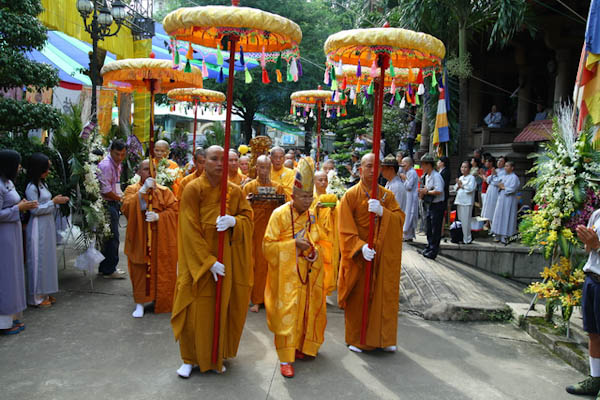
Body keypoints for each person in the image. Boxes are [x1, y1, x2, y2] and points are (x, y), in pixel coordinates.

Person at [171, 145, 253, 378]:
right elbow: (189, 228)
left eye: (223, 160)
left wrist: (235, 222)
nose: (219, 163)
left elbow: (248, 217)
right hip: (196, 259)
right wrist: (207, 261)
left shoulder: (234, 191)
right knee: (193, 309)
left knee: (220, 307)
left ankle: (216, 356)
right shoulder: (192, 189)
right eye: (214, 159)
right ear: (203, 162)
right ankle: (189, 358)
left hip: (225, 259)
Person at [263, 158, 327, 379]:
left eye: (310, 196)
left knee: (304, 310)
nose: (308, 201)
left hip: (305, 271)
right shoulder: (279, 214)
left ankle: (300, 346)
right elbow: (267, 247)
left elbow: (317, 239)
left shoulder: (311, 215)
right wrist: (292, 245)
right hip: (284, 274)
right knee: (287, 313)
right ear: (293, 196)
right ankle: (285, 358)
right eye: (303, 197)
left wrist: (312, 252)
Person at [337, 153, 404, 353]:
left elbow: (399, 220)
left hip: (381, 255)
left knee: (383, 296)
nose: (373, 170)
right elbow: (344, 229)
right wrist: (360, 247)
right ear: (360, 170)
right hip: (360, 256)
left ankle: (383, 338)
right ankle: (356, 339)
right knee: (359, 298)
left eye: (377, 166)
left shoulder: (386, 196)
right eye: (368, 166)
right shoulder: (351, 195)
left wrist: (384, 213)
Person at [122, 160, 179, 318]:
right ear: (139, 172)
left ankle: (159, 299)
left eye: (153, 169)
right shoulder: (131, 189)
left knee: (161, 268)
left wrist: (159, 217)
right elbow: (126, 208)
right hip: (140, 237)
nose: (149, 172)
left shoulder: (164, 191)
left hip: (160, 239)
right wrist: (142, 192)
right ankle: (140, 303)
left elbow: (175, 211)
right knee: (140, 270)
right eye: (146, 169)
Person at [242, 155, 287, 313]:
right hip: (255, 231)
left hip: (272, 231)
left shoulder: (278, 187)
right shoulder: (249, 187)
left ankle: (271, 298)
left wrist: (281, 201)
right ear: (256, 168)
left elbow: (284, 209)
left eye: (267, 167)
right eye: (261, 167)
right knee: (256, 265)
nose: (264, 171)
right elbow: (242, 209)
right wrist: (248, 201)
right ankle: (256, 299)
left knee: (271, 265)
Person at [0, 150, 38, 335]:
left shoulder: (8, 182)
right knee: (5, 276)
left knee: (14, 274)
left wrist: (21, 205)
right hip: (4, 236)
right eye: (17, 164)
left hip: (13, 233)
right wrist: (18, 208)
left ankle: (12, 316)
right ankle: (3, 322)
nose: (20, 167)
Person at [25, 153, 69, 307]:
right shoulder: (31, 187)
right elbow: (34, 210)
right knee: (38, 260)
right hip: (38, 226)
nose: (48, 172)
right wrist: (53, 202)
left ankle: (45, 291)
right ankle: (36, 297)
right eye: (45, 169)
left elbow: (46, 203)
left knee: (47, 259)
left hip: (47, 224)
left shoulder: (42, 184)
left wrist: (56, 201)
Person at [567, 207, 600, 397]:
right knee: (593, 332)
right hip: (592, 279)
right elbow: (589, 249)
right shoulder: (597, 214)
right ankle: (595, 378)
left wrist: (597, 245)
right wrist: (587, 242)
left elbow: (595, 246)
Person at [97, 139, 127, 279]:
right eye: (117, 154)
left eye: (122, 154)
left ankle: (106, 268)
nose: (120, 157)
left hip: (113, 202)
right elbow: (106, 191)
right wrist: (121, 199)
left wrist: (120, 196)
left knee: (109, 237)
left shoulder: (117, 164)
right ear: (111, 151)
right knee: (113, 237)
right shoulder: (107, 165)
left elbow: (116, 184)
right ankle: (109, 269)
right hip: (107, 203)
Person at [313, 170, 340, 295]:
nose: (323, 182)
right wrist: (316, 209)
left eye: (325, 180)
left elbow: (338, 215)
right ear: (314, 182)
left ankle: (325, 290)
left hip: (329, 237)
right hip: (316, 237)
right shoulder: (311, 199)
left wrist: (334, 209)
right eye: (320, 180)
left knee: (328, 264)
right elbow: (307, 217)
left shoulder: (332, 199)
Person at [418, 153, 445, 260]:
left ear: (429, 165)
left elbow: (439, 190)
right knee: (429, 227)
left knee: (435, 228)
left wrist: (427, 192)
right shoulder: (427, 176)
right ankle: (429, 246)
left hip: (437, 205)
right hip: (430, 204)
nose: (422, 167)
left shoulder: (436, 176)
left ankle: (433, 250)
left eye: (423, 165)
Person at [491, 160, 520, 244]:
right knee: (499, 216)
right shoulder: (504, 176)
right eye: (505, 166)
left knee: (507, 216)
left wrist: (504, 188)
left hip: (509, 200)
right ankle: (498, 234)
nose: (505, 168)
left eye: (507, 166)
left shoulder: (514, 177)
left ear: (512, 168)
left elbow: (512, 189)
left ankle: (506, 236)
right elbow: (496, 182)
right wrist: (494, 175)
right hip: (501, 198)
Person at [454, 161, 476, 244]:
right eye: (462, 167)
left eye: (465, 167)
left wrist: (461, 185)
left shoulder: (471, 178)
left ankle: (467, 239)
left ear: (469, 169)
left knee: (466, 221)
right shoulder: (461, 177)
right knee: (461, 220)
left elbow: (470, 188)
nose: (463, 169)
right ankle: (462, 237)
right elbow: (456, 188)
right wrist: (458, 185)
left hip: (467, 202)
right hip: (460, 201)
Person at [399, 156, 418, 241]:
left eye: (404, 164)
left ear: (408, 164)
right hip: (408, 196)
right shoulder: (407, 172)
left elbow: (409, 186)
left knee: (409, 214)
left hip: (411, 196)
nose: (403, 166)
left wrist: (404, 179)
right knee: (407, 214)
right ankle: (407, 234)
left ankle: (407, 235)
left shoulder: (412, 173)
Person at [481, 156, 502, 228]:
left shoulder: (500, 172)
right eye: (498, 161)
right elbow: (488, 180)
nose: (486, 163)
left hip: (495, 192)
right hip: (489, 191)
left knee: (493, 209)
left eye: (487, 161)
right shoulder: (493, 170)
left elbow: (496, 182)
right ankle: (489, 224)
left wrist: (484, 176)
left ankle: (491, 225)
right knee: (488, 208)